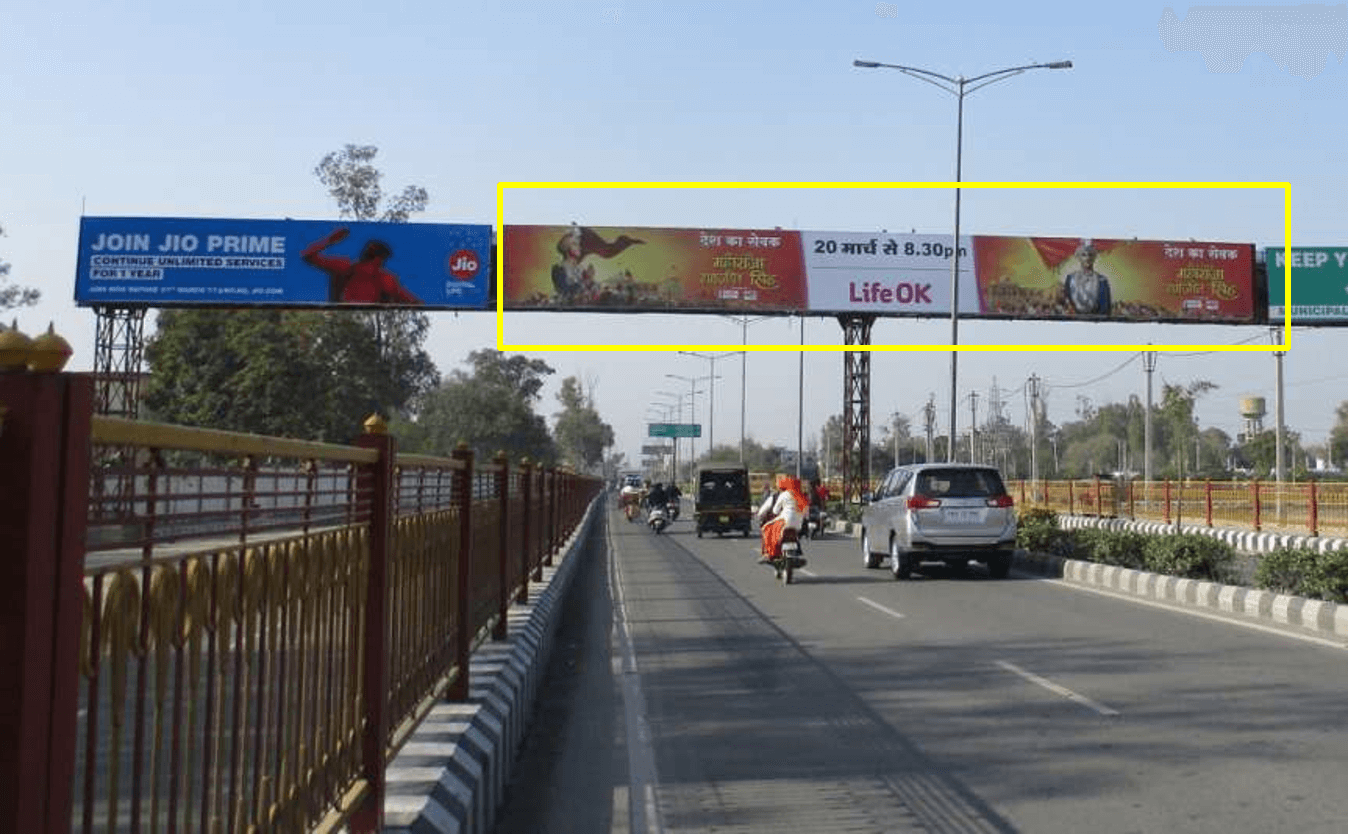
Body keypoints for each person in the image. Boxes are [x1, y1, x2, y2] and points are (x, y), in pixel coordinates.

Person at [302, 226, 424, 305]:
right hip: (350, 319)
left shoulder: (346, 266)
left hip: (351, 320)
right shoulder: (384, 277)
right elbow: (413, 301)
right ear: (379, 259)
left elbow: (308, 255)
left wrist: (330, 240)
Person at [757, 474, 807, 562]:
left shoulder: (784, 495)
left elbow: (775, 511)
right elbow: (806, 512)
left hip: (785, 521)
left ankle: (768, 553)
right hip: (798, 525)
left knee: (767, 528)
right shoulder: (801, 496)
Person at [1061, 239, 1112, 316]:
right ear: (1078, 257)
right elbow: (1066, 303)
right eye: (1084, 255)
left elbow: (1105, 309)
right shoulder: (1071, 278)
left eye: (1090, 255)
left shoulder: (1102, 280)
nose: (1087, 258)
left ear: (1094, 257)